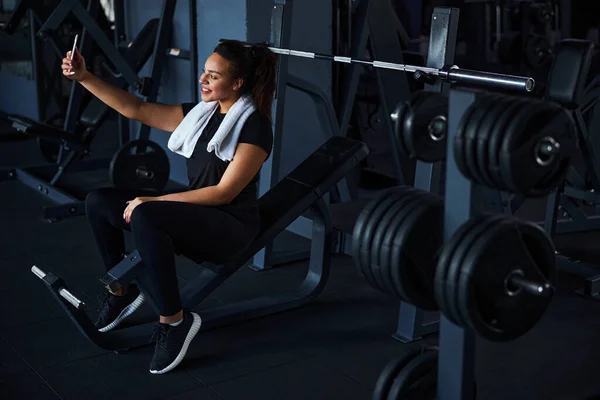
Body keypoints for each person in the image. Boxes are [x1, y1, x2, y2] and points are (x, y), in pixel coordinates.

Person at [60, 39, 277, 374]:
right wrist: (85, 77)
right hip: (198, 216)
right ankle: (121, 291)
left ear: (237, 83)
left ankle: (174, 321)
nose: (203, 79)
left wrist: (155, 200)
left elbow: (223, 193)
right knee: (99, 200)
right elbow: (136, 109)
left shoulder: (255, 126)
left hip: (229, 227)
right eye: (204, 71)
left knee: (146, 211)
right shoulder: (200, 115)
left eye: (213, 75)